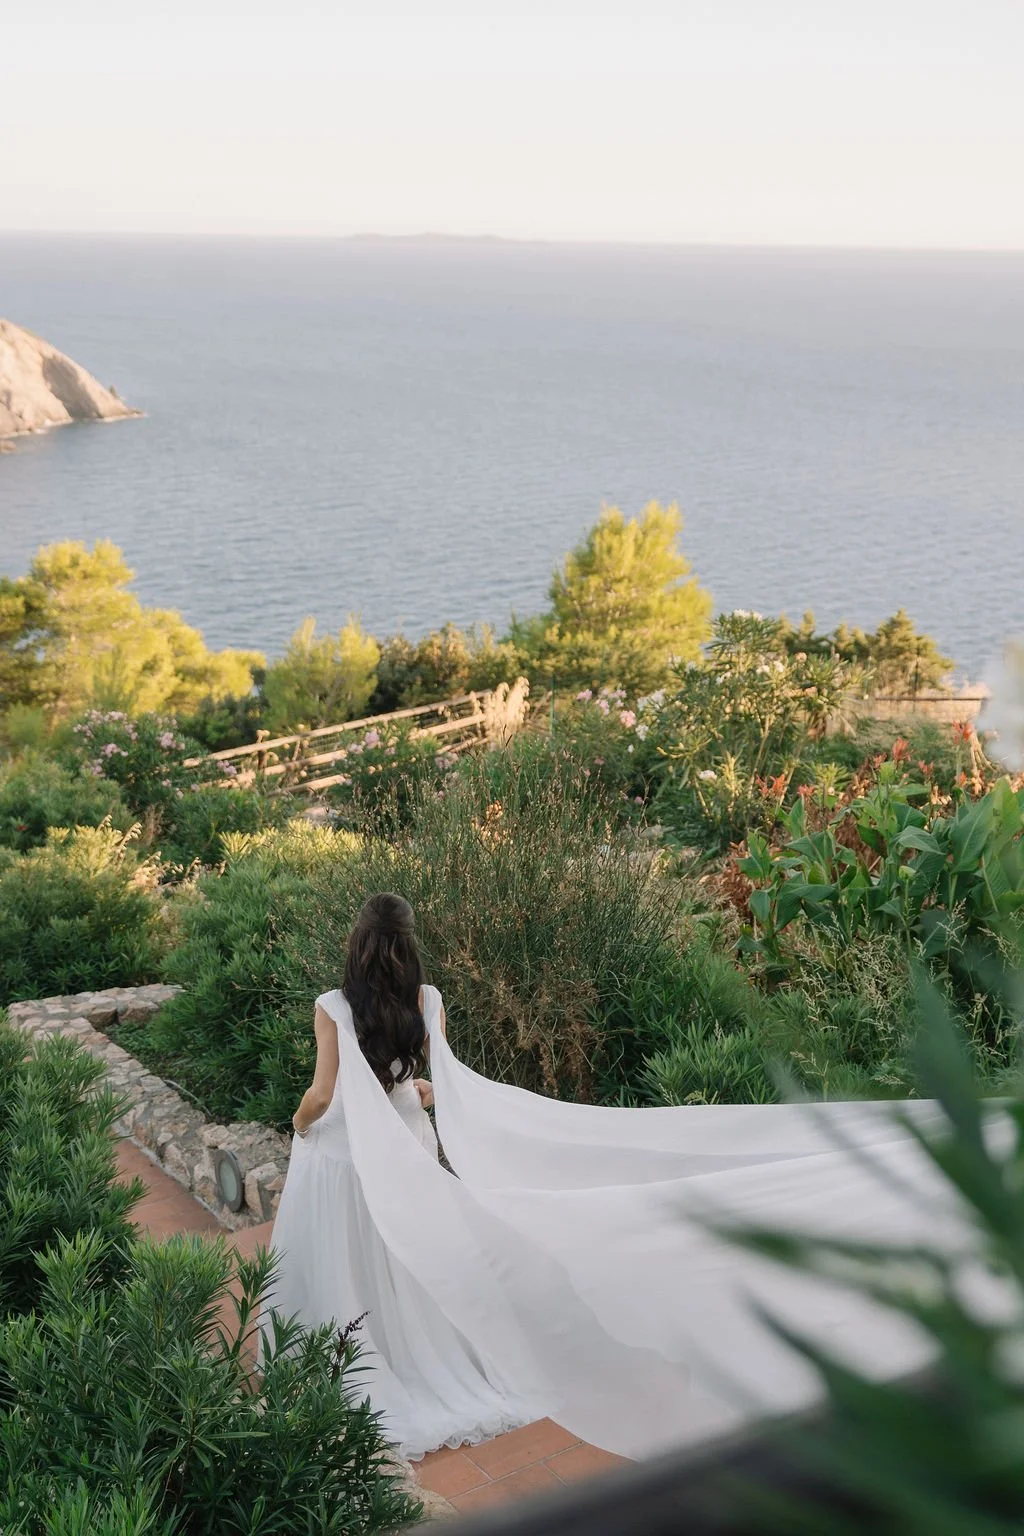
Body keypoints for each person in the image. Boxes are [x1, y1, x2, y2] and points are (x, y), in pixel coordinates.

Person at [263, 892, 974, 1463]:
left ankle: (358, 1361)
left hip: (351, 1148)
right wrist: (409, 1096)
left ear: (355, 946)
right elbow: (437, 1086)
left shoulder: (332, 1005)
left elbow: (323, 1097)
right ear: (409, 945)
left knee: (352, 1256)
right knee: (409, 1256)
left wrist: (298, 1126)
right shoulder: (429, 1000)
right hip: (409, 1138)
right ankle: (431, 1356)